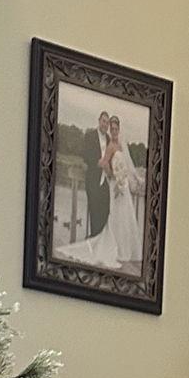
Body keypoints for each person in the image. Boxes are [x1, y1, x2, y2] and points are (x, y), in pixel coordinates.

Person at [63, 111, 144, 274]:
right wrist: (114, 177)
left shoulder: (120, 145)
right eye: (111, 128)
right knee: (114, 217)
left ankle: (125, 251)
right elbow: (104, 163)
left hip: (123, 188)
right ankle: (109, 248)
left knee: (125, 217)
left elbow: (127, 165)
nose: (113, 130)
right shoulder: (110, 146)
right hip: (113, 187)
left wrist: (132, 178)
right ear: (104, 124)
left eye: (115, 128)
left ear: (118, 129)